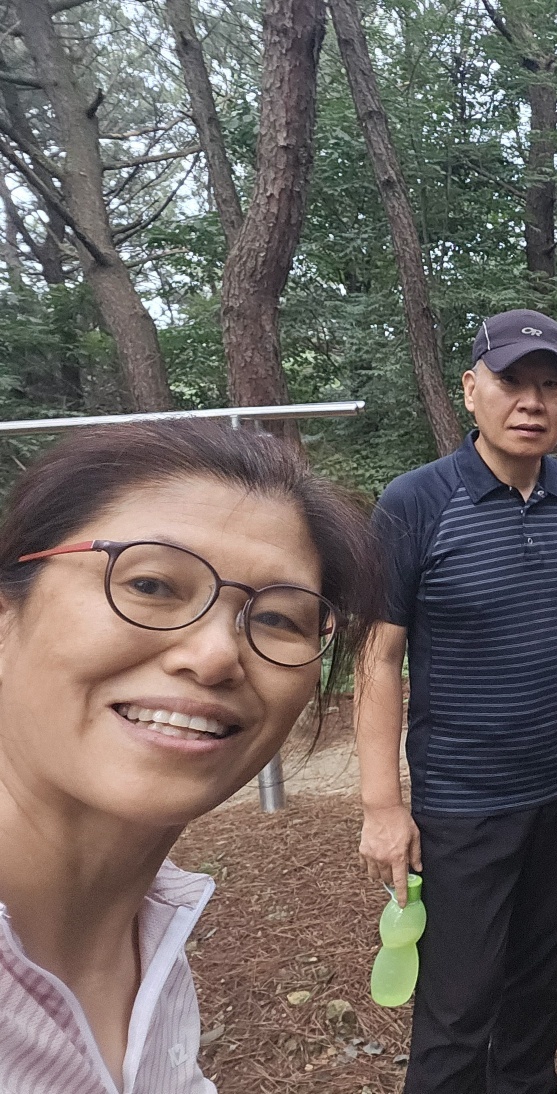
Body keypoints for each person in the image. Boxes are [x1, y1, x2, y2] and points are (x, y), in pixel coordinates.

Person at [0, 421, 382, 1094]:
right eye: (150, 585)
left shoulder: (153, 931)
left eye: (277, 618)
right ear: (7, 617)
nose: (214, 656)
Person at [356, 309, 557, 1094]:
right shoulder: (415, 503)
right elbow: (377, 659)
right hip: (465, 804)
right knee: (458, 1005)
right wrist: (383, 806)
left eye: (550, 385)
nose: (531, 402)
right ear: (470, 389)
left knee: (540, 981)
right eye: (511, 382)